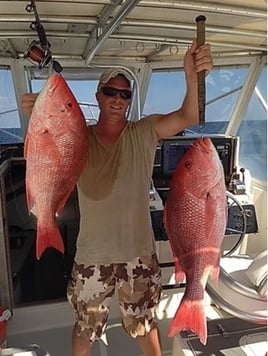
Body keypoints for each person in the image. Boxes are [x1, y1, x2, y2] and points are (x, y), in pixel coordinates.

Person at [22, 38, 213, 356]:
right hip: (91, 256)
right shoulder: (78, 136)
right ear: (98, 96)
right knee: (86, 327)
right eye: (110, 91)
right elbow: (51, 143)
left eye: (125, 94)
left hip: (138, 255)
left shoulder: (145, 131)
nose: (117, 99)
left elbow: (189, 115)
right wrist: (36, 109)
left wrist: (191, 75)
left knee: (144, 324)